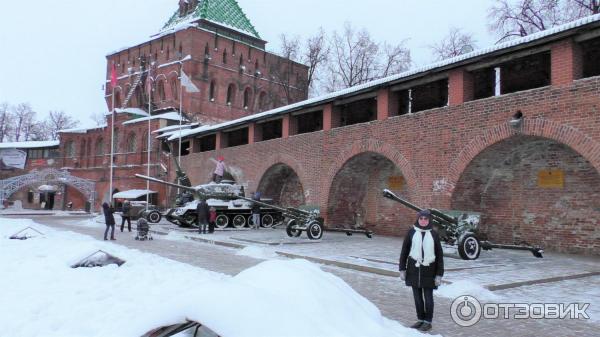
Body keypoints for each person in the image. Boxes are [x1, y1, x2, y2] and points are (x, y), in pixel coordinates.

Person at [399, 209, 444, 332]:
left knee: (428, 298)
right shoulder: (411, 232)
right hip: (414, 270)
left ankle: (428, 322)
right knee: (417, 298)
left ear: (429, 220)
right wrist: (402, 268)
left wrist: (439, 274)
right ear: (418, 219)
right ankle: (420, 319)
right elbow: (405, 251)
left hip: (429, 271)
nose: (423, 221)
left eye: (426, 219)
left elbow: (439, 255)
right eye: (421, 219)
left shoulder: (434, 234)